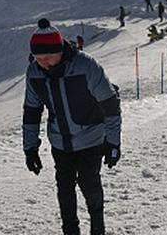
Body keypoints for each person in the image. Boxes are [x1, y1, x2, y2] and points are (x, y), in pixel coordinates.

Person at [22, 19, 122, 235]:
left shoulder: (86, 66)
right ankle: (70, 231)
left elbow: (111, 105)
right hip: (61, 142)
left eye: (48, 57)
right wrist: (30, 148)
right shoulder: (34, 73)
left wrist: (113, 141)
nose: (44, 63)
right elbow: (31, 112)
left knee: (90, 185)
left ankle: (98, 228)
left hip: (91, 139)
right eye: (39, 59)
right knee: (64, 190)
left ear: (59, 50)